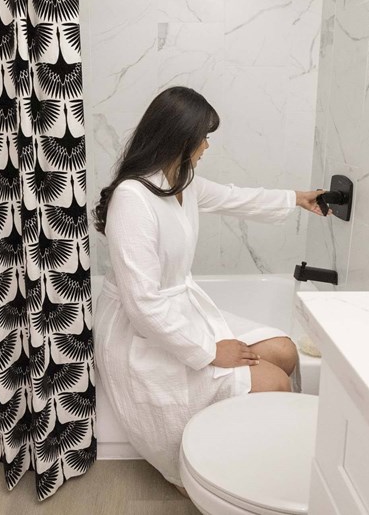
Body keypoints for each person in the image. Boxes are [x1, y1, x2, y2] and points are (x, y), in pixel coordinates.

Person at [92, 86, 325, 486]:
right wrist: (209, 351)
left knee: (285, 350)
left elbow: (235, 198)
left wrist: (296, 198)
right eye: (204, 136)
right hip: (141, 338)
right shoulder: (133, 200)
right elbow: (143, 308)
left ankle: (255, 455)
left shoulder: (181, 180)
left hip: (179, 313)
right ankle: (237, 472)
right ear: (181, 139)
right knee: (274, 381)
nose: (207, 145)